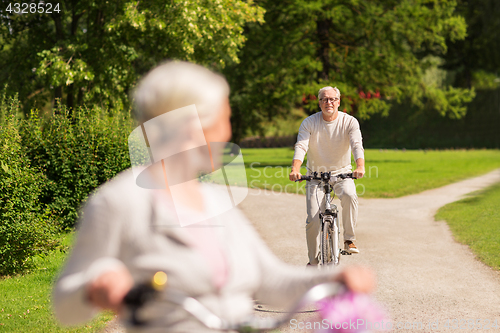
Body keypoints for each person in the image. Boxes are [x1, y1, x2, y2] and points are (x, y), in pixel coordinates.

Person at [53, 63, 374, 332]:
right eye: (223, 121)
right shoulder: (121, 202)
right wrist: (97, 287)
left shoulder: (215, 200)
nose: (228, 134)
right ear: (192, 128)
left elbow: (270, 281)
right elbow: (64, 305)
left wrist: (336, 279)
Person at [289, 86, 365, 265]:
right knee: (313, 219)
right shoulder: (309, 122)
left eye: (332, 99)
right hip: (315, 175)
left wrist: (360, 166)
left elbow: (356, 145)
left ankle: (348, 239)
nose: (328, 102)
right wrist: (295, 169)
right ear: (319, 103)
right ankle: (313, 262)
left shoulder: (349, 122)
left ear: (338, 102)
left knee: (349, 194)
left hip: (342, 173)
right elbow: (301, 146)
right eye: (324, 99)